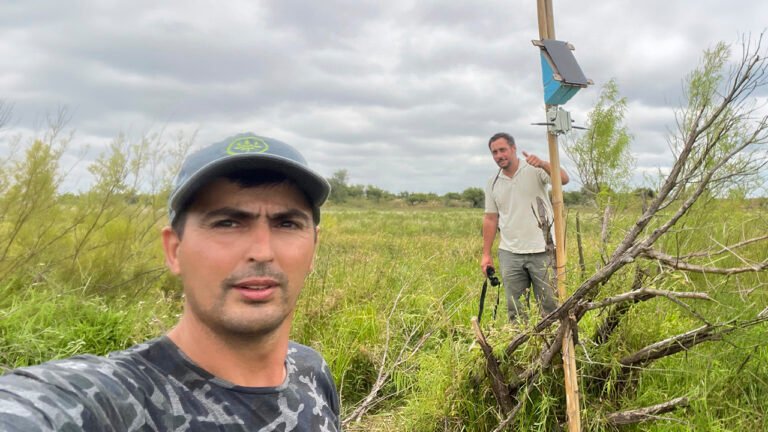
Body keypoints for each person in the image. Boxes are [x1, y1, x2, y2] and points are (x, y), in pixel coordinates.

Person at [0, 133, 341, 431]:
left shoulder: (311, 371)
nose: (262, 252)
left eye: (287, 224)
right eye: (227, 223)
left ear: (314, 248)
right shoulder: (117, 399)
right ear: (174, 250)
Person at [480, 132, 569, 323]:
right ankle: (520, 346)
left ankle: (553, 348)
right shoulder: (493, 182)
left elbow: (563, 179)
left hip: (542, 251)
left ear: (513, 148)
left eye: (502, 150)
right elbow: (490, 218)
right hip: (510, 253)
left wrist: (544, 164)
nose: (499, 156)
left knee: (550, 306)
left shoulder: (535, 169)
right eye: (494, 152)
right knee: (516, 309)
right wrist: (486, 254)